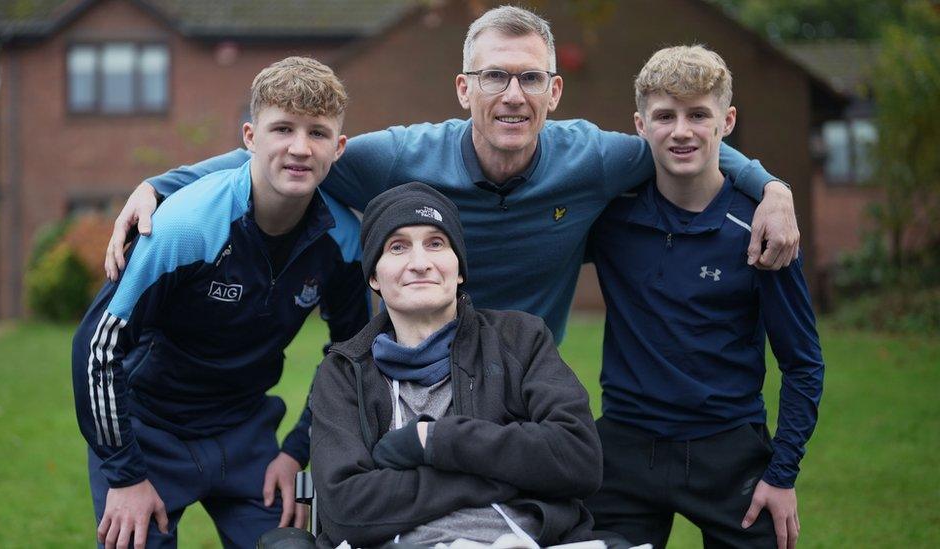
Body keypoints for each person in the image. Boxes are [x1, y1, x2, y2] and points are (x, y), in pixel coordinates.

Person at [101, 5, 801, 344]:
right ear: (464, 89)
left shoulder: (594, 158)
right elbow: (289, 153)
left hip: (526, 385)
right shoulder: (398, 158)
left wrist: (771, 188)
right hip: (415, 371)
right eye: (495, 75)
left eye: (531, 78)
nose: (513, 94)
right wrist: (162, 185)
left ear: (555, 94)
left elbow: (684, 143)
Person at [71, 57, 369, 549]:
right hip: (148, 432)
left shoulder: (344, 240)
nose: (299, 148)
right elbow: (96, 349)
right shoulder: (184, 225)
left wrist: (298, 453)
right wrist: (123, 475)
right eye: (282, 129)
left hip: (246, 433)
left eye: (317, 133)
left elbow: (352, 357)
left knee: (302, 541)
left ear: (337, 148)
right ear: (250, 138)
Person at [585, 46, 824, 549]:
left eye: (699, 115)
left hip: (728, 451)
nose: (681, 131)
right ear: (640, 124)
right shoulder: (609, 218)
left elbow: (802, 364)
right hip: (626, 448)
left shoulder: (762, 229)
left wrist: (782, 475)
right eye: (665, 116)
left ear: (727, 120)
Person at [308, 181, 612, 548]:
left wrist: (435, 441)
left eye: (436, 243)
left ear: (460, 268)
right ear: (374, 275)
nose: (420, 263)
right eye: (398, 246)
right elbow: (345, 510)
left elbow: (578, 457)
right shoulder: (343, 372)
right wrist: (501, 476)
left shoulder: (521, 339)